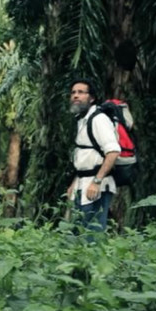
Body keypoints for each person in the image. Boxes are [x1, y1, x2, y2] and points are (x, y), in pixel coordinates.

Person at [66, 78, 120, 232]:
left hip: (97, 186)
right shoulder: (82, 120)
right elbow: (84, 157)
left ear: (92, 98)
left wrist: (96, 181)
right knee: (76, 232)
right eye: (73, 93)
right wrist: (74, 183)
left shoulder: (99, 119)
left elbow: (113, 151)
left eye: (81, 92)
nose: (76, 96)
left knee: (92, 234)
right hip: (81, 185)